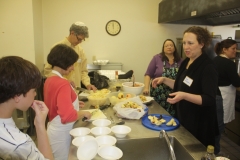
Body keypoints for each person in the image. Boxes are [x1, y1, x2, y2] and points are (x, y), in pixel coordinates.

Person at [152, 26, 219, 147]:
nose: (186, 47)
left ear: (201, 44)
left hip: (200, 122)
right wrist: (164, 80)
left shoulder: (208, 67)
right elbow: (180, 86)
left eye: (190, 43)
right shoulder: (187, 62)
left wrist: (184, 96)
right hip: (185, 118)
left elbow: (209, 99)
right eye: (184, 43)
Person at [44, 44, 91, 160]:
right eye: (71, 65)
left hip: (53, 130)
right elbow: (67, 116)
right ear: (63, 63)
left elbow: (55, 103)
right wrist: (83, 113)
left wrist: (72, 104)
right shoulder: (63, 83)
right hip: (61, 134)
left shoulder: (50, 79)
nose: (73, 68)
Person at [0, 56, 53, 160]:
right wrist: (40, 125)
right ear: (17, 96)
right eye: (33, 90)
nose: (35, 94)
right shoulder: (18, 144)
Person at [44, 21, 97, 91]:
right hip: (61, 89)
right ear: (72, 33)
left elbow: (83, 71)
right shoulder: (58, 48)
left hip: (75, 91)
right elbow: (48, 71)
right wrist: (64, 81)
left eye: (82, 40)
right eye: (79, 39)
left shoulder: (80, 50)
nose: (80, 42)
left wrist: (87, 84)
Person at [213, 38, 240, 154]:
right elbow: (237, 83)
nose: (235, 51)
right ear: (224, 50)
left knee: (215, 124)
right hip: (224, 97)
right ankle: (216, 151)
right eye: (233, 49)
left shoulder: (214, 60)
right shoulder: (229, 64)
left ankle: (214, 148)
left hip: (214, 95)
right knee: (219, 126)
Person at [143, 39, 182, 116]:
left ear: (174, 48)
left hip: (174, 95)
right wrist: (146, 88)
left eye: (171, 45)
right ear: (163, 48)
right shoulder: (157, 58)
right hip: (158, 94)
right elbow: (148, 74)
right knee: (156, 115)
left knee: (172, 117)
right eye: (166, 46)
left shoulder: (181, 61)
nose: (169, 47)